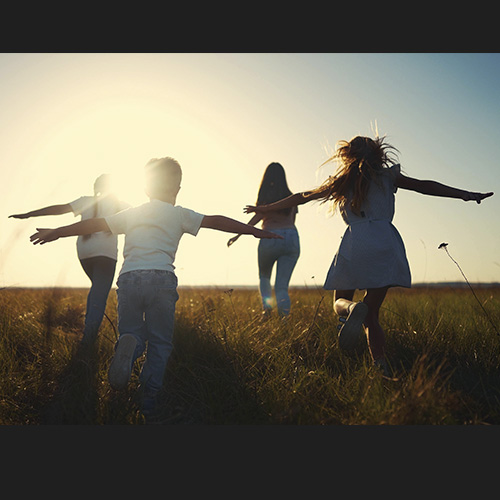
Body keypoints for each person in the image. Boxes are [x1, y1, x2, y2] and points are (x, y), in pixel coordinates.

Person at [30, 156, 283, 420]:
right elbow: (215, 220)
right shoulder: (180, 214)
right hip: (162, 280)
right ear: (177, 189)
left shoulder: (132, 213)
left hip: (128, 280)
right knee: (161, 343)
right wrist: (252, 231)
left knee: (131, 331)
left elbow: (95, 224)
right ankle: (148, 398)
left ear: (146, 188)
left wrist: (58, 231)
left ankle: (129, 345)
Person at [244, 136, 494, 375]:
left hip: (356, 242)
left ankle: (353, 308)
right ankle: (381, 366)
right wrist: (465, 194)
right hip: (385, 240)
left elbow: (302, 197)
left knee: (339, 303)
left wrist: (264, 208)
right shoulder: (388, 176)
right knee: (371, 314)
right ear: (377, 153)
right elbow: (424, 186)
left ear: (348, 156)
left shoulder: (341, 181)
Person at [9, 174, 129, 346]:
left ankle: (88, 331)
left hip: (84, 254)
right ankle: (88, 341)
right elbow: (140, 216)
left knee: (96, 290)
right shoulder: (121, 205)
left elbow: (58, 209)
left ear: (96, 187)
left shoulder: (85, 201)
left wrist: (29, 214)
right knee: (99, 294)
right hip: (105, 254)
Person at [227, 162, 300, 318]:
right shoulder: (291, 197)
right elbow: (292, 220)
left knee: (264, 278)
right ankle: (284, 322)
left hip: (270, 236)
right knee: (282, 287)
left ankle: (266, 313)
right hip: (291, 237)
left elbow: (256, 218)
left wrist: (237, 235)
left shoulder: (266, 198)